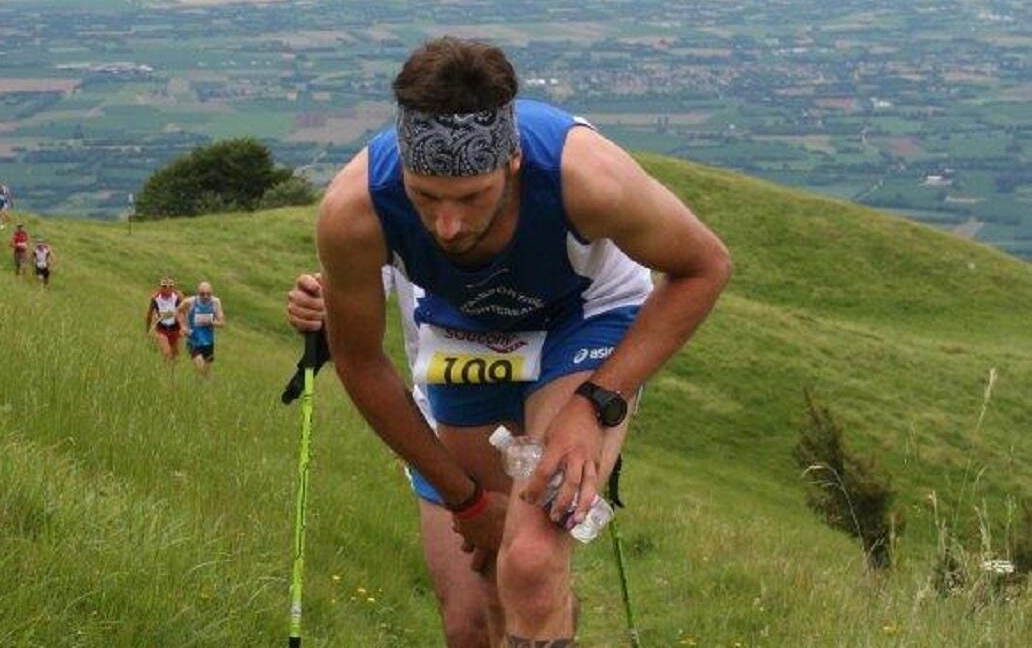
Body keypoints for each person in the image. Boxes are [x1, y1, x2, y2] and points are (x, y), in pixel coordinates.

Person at [315, 37, 731, 644]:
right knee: (483, 598)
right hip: (464, 333)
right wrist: (466, 503)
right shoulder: (355, 211)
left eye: (471, 197)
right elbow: (357, 362)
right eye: (425, 197)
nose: (447, 225)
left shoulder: (586, 177)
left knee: (532, 560)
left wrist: (596, 404)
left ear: (511, 164)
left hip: (582, 319)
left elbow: (705, 266)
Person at [288, 268, 500, 647]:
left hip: (535, 428)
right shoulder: (385, 210)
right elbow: (353, 290)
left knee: (531, 602)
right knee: (468, 627)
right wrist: (321, 304)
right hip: (440, 433)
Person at [177, 282, 225, 377]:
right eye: (202, 294)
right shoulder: (189, 302)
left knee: (205, 374)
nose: (206, 296)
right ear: (198, 293)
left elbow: (222, 323)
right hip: (193, 340)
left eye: (208, 294)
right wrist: (183, 326)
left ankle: (200, 387)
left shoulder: (216, 302)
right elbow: (178, 312)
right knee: (200, 365)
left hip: (208, 342)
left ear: (212, 293)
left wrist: (211, 322)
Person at [146, 277, 185, 362]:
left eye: (170, 286)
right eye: (164, 286)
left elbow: (183, 312)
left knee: (175, 356)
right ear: (160, 287)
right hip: (162, 329)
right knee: (167, 353)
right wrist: (148, 330)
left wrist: (183, 327)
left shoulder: (178, 296)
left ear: (173, 287)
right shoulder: (155, 298)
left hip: (175, 328)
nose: (167, 289)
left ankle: (171, 374)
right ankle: (167, 367)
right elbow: (149, 315)